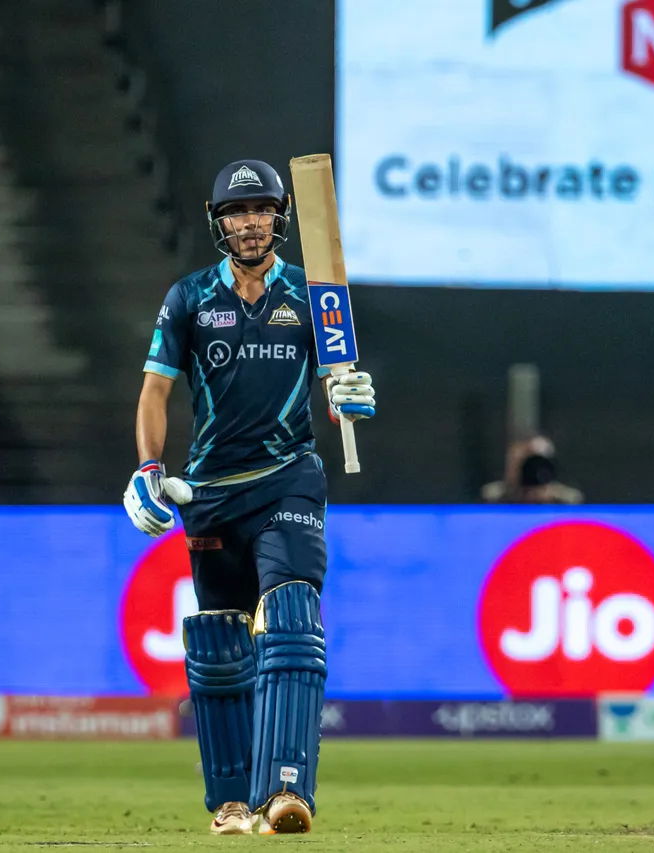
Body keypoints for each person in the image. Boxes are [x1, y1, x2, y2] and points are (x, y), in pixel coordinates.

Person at [123, 159, 376, 835]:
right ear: (219, 223)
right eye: (238, 212)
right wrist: (150, 467)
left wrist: (348, 393)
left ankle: (288, 792)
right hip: (210, 492)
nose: (250, 222)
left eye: (262, 209)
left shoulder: (314, 294)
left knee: (293, 616)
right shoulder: (189, 298)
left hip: (288, 478)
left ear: (281, 216)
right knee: (222, 645)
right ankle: (233, 803)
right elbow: (155, 388)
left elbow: (335, 379)